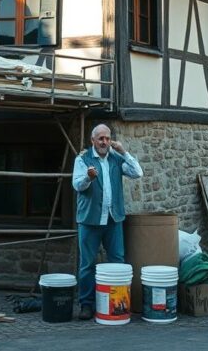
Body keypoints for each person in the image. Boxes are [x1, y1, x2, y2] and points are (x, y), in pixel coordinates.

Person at [72, 124, 143, 320]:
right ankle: (86, 305)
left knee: (117, 261)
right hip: (89, 220)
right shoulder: (83, 159)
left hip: (113, 219)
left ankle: (115, 304)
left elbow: (137, 173)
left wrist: (124, 151)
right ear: (92, 140)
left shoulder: (116, 157)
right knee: (87, 264)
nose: (104, 142)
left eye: (107, 138)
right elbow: (77, 185)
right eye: (100, 138)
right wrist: (88, 177)